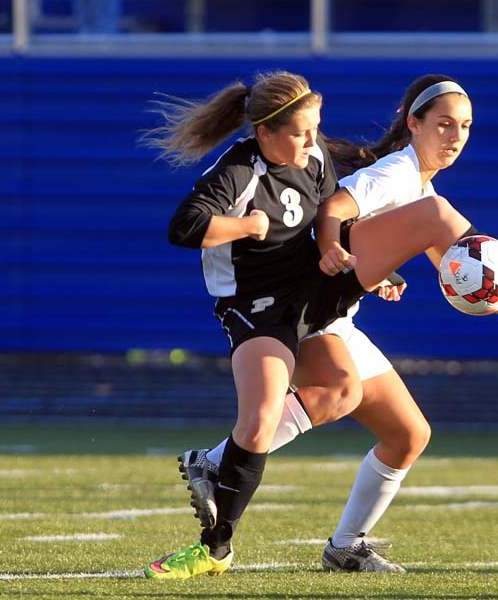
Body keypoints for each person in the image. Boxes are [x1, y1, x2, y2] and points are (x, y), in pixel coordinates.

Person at [176, 74, 498, 573]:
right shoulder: (398, 172)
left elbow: (460, 272)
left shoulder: (415, 181)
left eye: (464, 126)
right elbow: (336, 209)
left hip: (335, 315)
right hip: (311, 288)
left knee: (407, 434)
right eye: (442, 125)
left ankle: (343, 545)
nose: (455, 136)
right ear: (412, 124)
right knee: (438, 217)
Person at [140, 71, 378, 580]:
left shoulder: (312, 160)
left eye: (316, 127)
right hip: (256, 305)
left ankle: (212, 463)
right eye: (301, 131)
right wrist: (248, 225)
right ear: (266, 132)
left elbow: (326, 220)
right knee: (261, 415)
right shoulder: (238, 170)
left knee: (341, 389)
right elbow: (184, 227)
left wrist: (356, 260)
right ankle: (215, 548)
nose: (314, 141)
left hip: (307, 295)